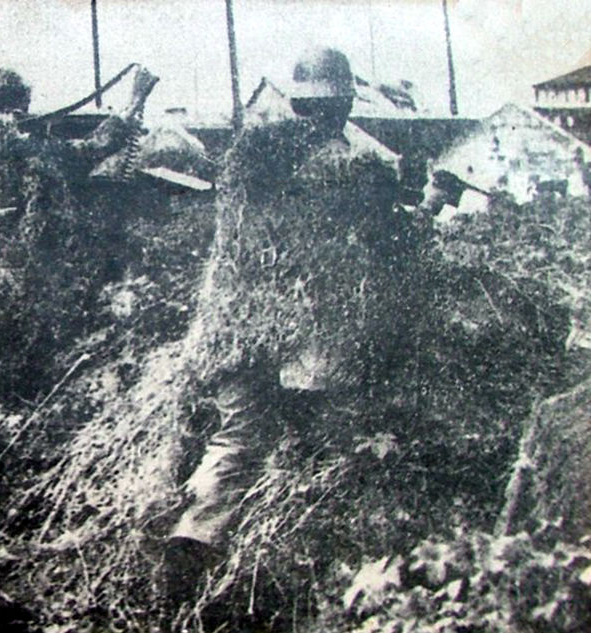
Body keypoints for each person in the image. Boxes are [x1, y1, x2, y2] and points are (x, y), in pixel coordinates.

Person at [164, 47, 403, 605]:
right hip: (303, 336)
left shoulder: (252, 155)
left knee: (236, 440)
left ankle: (193, 540)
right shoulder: (343, 165)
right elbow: (366, 248)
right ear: (342, 102)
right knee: (329, 436)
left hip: (233, 328)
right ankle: (312, 566)